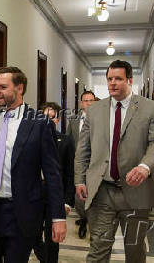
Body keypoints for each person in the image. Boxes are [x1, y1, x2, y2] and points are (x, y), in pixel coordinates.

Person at [0, 66, 66, 263]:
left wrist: (58, 217)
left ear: (20, 88)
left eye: (3, 87)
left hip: (22, 213)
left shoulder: (39, 123)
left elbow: (52, 174)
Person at [75, 60, 154, 263]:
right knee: (98, 249)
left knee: (134, 250)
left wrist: (145, 167)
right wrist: (79, 179)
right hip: (102, 190)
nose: (112, 83)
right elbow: (83, 149)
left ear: (129, 80)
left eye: (118, 79)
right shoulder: (94, 110)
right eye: (109, 79)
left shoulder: (150, 108)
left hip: (136, 191)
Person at [34, 102, 75, 263]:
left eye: (52, 118)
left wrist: (67, 202)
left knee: (52, 239)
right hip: (35, 195)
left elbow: (70, 174)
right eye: (45, 117)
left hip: (55, 197)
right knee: (32, 236)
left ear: (57, 120)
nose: (49, 121)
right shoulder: (32, 140)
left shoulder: (65, 141)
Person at [66, 90, 96, 239]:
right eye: (86, 100)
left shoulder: (101, 121)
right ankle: (83, 220)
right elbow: (69, 141)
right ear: (81, 103)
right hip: (78, 165)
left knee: (95, 195)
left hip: (96, 165)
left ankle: (94, 223)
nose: (88, 103)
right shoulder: (73, 120)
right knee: (79, 197)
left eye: (91, 100)